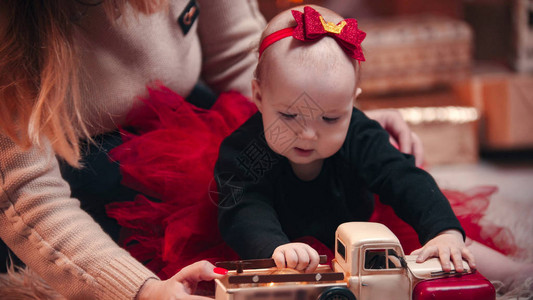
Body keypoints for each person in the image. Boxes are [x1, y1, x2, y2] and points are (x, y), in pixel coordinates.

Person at [0, 1, 423, 299]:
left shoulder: (288, 111)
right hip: (75, 169)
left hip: (187, 112)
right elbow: (25, 194)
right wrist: (142, 290)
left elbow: (246, 58)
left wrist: (336, 117)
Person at [215, 5, 533, 290]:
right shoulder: (246, 149)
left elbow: (404, 177)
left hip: (357, 239)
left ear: (353, 102)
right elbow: (244, 205)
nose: (308, 134)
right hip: (276, 247)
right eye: (288, 115)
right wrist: (272, 248)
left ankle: (516, 272)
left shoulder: (360, 132)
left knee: (445, 247)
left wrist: (444, 231)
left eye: (330, 118)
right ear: (258, 96)